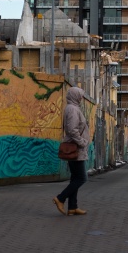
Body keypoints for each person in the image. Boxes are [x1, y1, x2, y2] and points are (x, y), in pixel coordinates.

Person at [53, 87, 90, 216]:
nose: (81, 98)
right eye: (79, 96)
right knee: (81, 178)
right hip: (76, 149)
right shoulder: (73, 110)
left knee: (75, 178)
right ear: (75, 96)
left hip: (75, 148)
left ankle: (73, 207)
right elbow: (72, 130)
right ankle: (60, 198)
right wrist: (82, 142)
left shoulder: (72, 108)